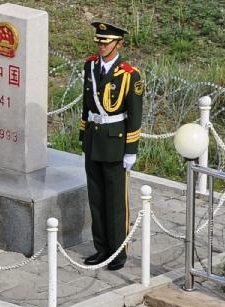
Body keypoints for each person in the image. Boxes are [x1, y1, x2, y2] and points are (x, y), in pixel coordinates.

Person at [79, 21, 144, 271]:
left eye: (106, 42)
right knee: (96, 198)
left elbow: (135, 114)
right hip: (94, 140)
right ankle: (101, 248)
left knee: (116, 202)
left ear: (119, 44)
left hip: (116, 143)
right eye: (99, 42)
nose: (101, 46)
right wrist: (83, 135)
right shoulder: (90, 65)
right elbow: (87, 103)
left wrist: (131, 150)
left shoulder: (129, 74)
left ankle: (118, 251)